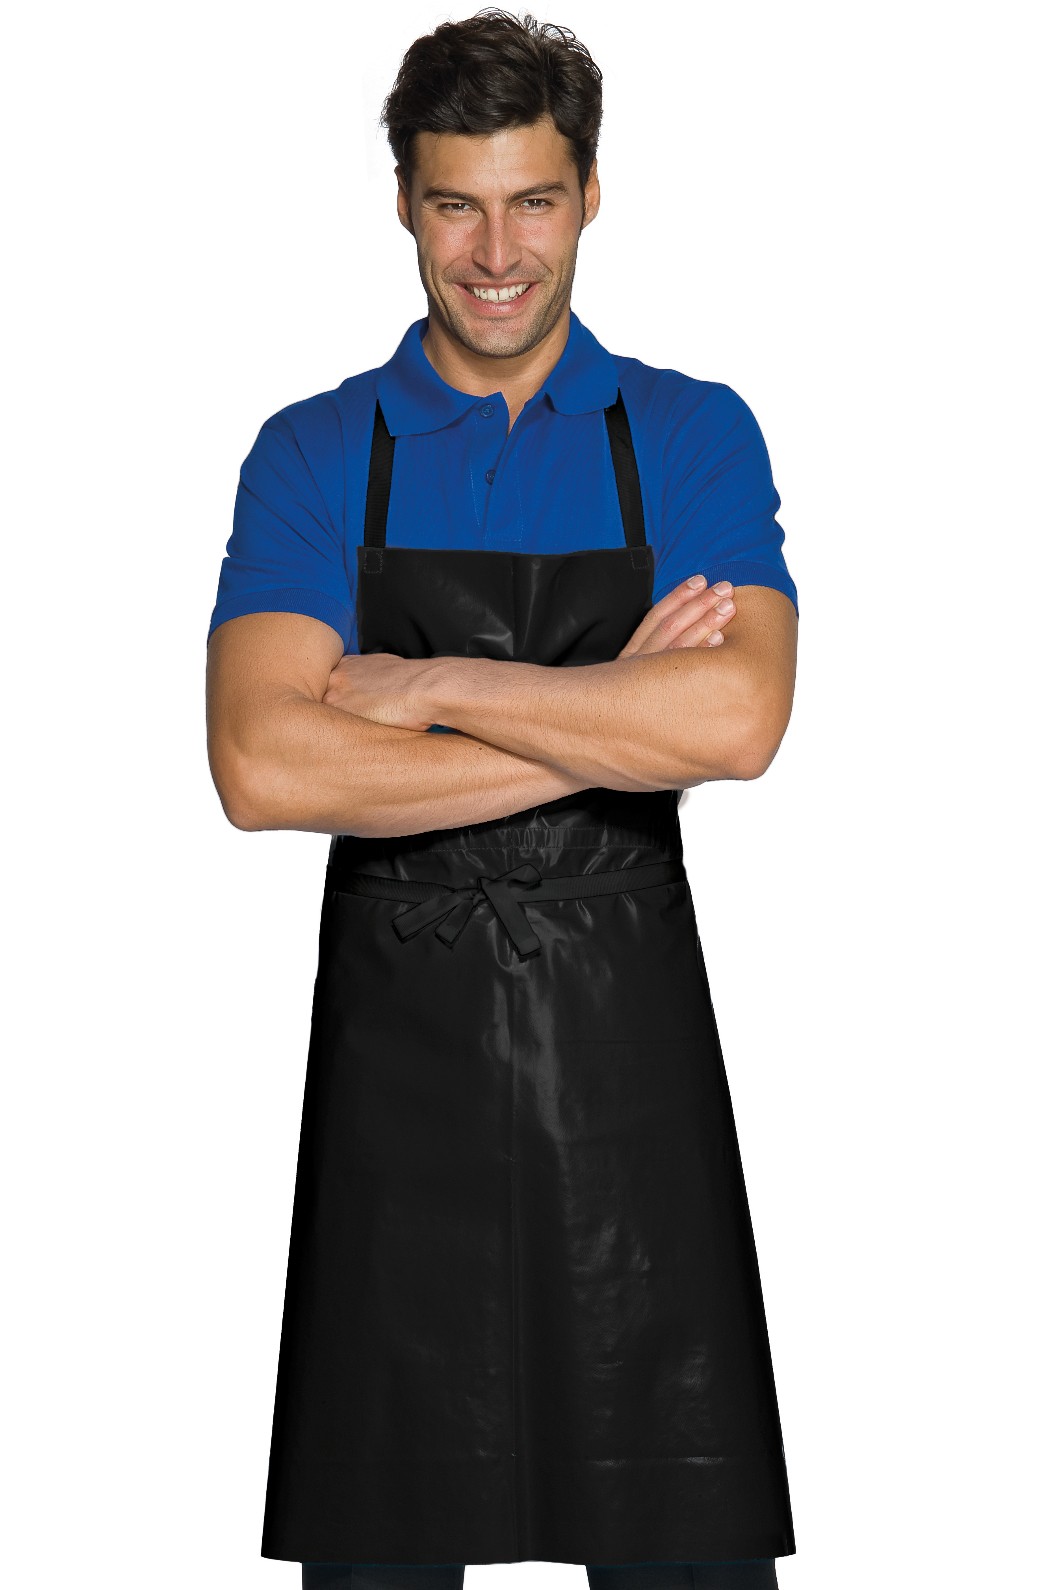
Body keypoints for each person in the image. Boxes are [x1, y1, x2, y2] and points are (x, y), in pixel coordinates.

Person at [205, 11, 799, 1590]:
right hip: (395, 1107)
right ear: (405, 202)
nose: (494, 253)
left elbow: (739, 719)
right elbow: (265, 766)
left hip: (632, 1090)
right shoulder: (313, 453)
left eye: (532, 200)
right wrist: (610, 720)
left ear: (590, 194)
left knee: (686, 1555)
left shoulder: (690, 432)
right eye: (456, 204)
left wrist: (430, 680)